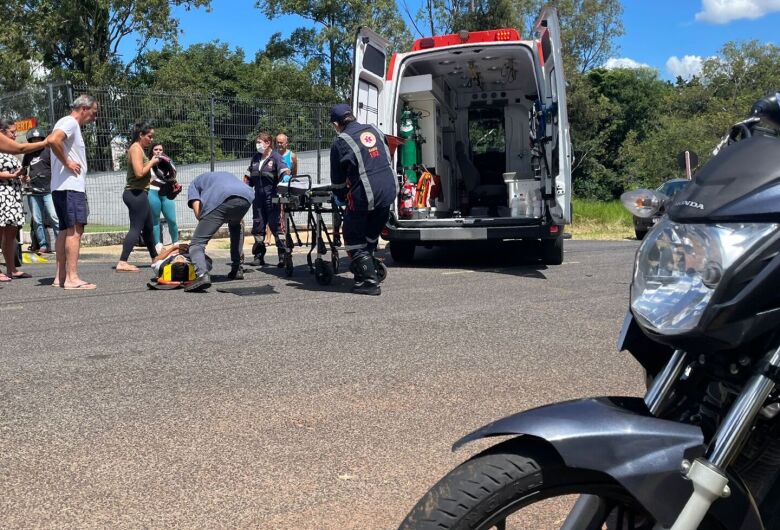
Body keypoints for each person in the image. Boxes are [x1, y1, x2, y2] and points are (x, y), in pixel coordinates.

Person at [329, 103, 397, 295]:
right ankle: (365, 267)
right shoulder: (375, 129)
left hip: (366, 195)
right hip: (388, 192)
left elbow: (338, 181)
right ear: (353, 115)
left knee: (352, 236)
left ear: (336, 123)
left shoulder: (340, 141)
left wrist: (341, 198)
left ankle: (369, 282)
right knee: (369, 234)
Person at [48, 93, 99, 290]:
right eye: (94, 113)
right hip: (70, 187)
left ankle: (60, 277)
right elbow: (53, 140)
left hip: (61, 187)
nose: (94, 118)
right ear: (83, 109)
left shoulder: (67, 123)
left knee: (65, 230)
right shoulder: (70, 122)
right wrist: (68, 162)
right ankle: (72, 278)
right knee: (75, 231)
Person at [184, 171, 254, 292]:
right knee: (236, 227)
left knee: (197, 243)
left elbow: (198, 213)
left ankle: (202, 275)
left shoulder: (194, 184)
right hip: (247, 196)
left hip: (222, 196)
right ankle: (237, 269)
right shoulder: (222, 175)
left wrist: (206, 224)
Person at [116, 122, 159, 272]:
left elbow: (144, 177)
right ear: (140, 135)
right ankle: (122, 261)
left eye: (152, 137)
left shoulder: (140, 149)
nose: (151, 140)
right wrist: (152, 161)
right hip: (135, 193)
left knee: (148, 228)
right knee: (136, 227)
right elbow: (139, 172)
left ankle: (155, 258)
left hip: (141, 192)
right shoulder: (135, 149)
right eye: (149, 136)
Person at [244, 132, 291, 267]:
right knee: (258, 226)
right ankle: (259, 256)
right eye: (257, 142)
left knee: (276, 227)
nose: (258, 145)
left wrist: (286, 178)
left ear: (268, 143)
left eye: (260, 142)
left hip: (273, 198)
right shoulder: (256, 158)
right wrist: (244, 188)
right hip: (258, 199)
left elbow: (285, 171)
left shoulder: (276, 157)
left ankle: (283, 256)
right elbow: (248, 177)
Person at [0, 118, 34, 282]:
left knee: (11, 233)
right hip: (2, 195)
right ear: (2, 133)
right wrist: (13, 175)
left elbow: (15, 172)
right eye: (12, 132)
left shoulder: (11, 152)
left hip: (13, 194)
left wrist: (23, 177)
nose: (15, 135)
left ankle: (11, 268)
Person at [22, 127, 59, 254]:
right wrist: (24, 177)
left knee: (54, 217)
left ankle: (60, 244)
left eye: (38, 139)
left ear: (43, 139)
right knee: (37, 220)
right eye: (33, 140)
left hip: (48, 190)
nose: (36, 142)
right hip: (33, 191)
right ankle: (43, 245)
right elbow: (24, 170)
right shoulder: (28, 154)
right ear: (30, 141)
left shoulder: (49, 151)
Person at [148, 143, 179, 252]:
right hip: (152, 192)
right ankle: (158, 245)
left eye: (160, 149)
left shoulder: (167, 161)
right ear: (152, 151)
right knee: (155, 220)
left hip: (165, 193)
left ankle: (176, 243)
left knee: (172, 220)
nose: (158, 151)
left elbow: (173, 175)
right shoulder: (148, 162)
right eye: (156, 149)